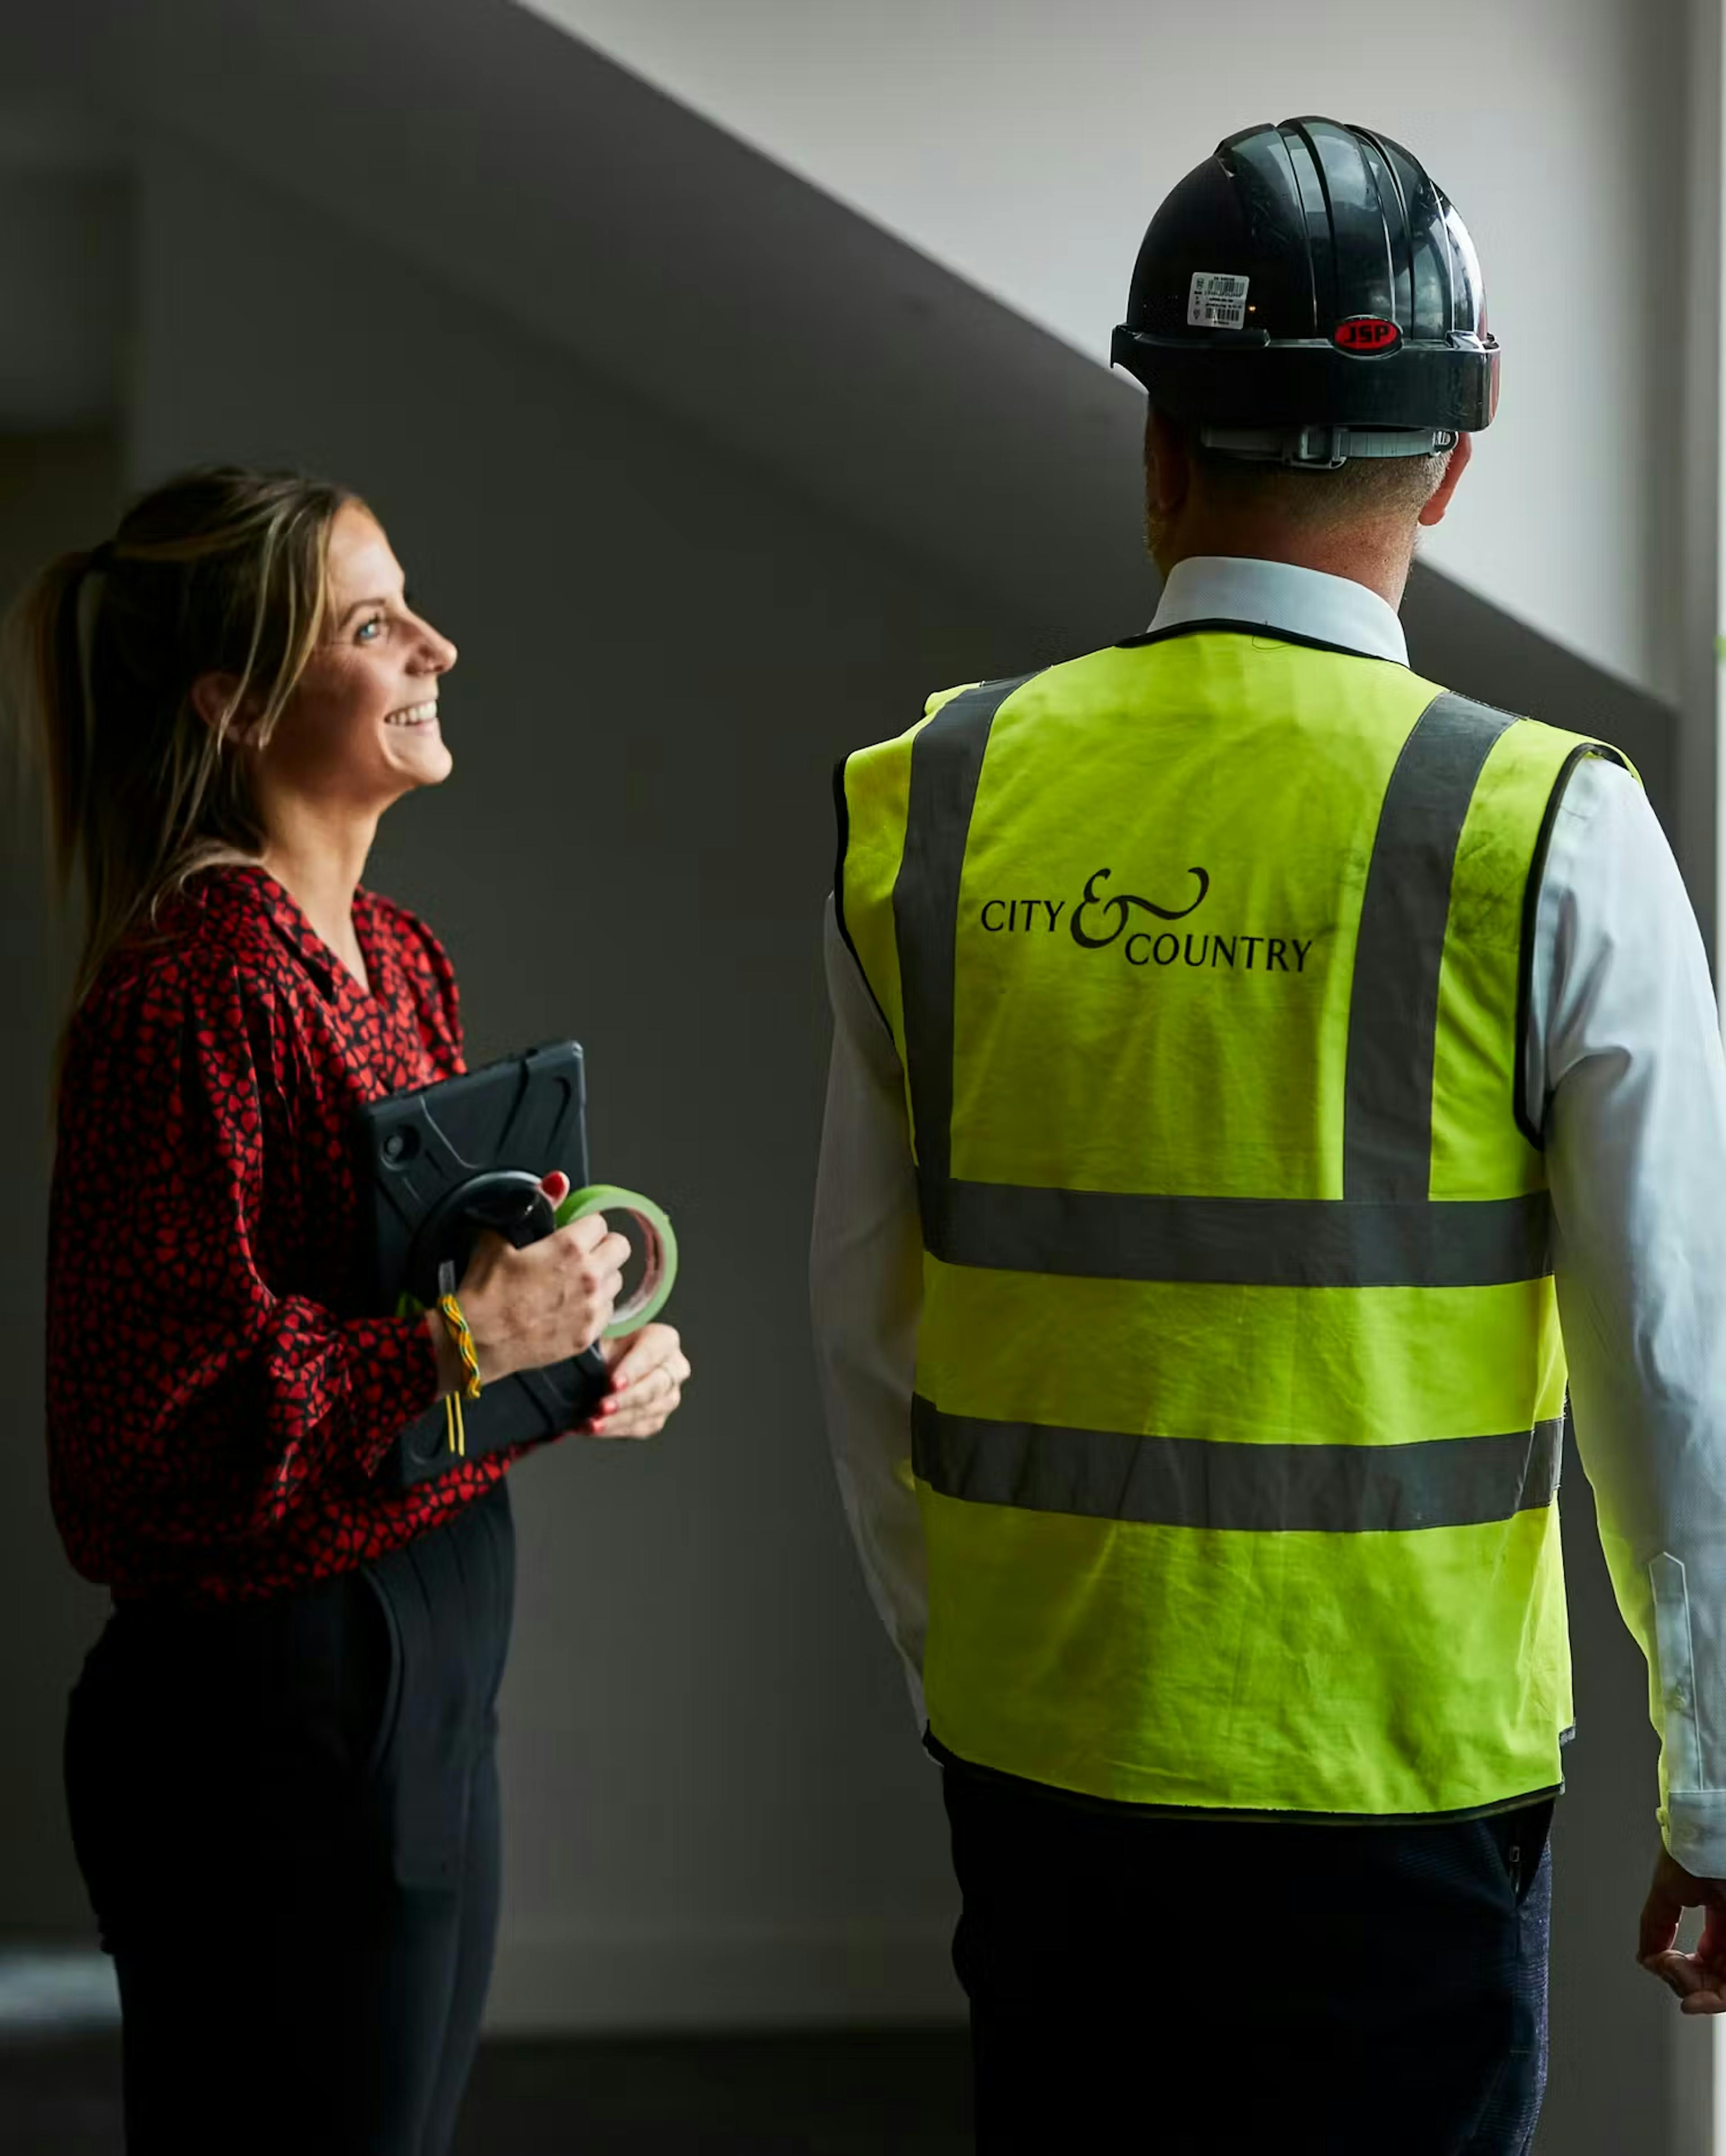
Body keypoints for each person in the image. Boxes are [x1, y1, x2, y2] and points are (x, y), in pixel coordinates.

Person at [811, 117, 1726, 2153]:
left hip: (1047, 1764)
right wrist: (1720, 1791)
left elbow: (864, 1342)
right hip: (1395, 1791)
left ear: (1159, 448)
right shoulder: (1543, 827)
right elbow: (1684, 1365)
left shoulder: (931, 804)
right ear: (1452, 468)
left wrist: (975, 1684)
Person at [4, 466, 693, 2156]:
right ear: (235, 701)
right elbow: (140, 1446)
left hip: (429, 1653)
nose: (437, 647)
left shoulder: (398, 953)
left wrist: (581, 1356)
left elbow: (427, 1313)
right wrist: (471, 1343)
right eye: (375, 624)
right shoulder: (196, 993)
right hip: (276, 1702)